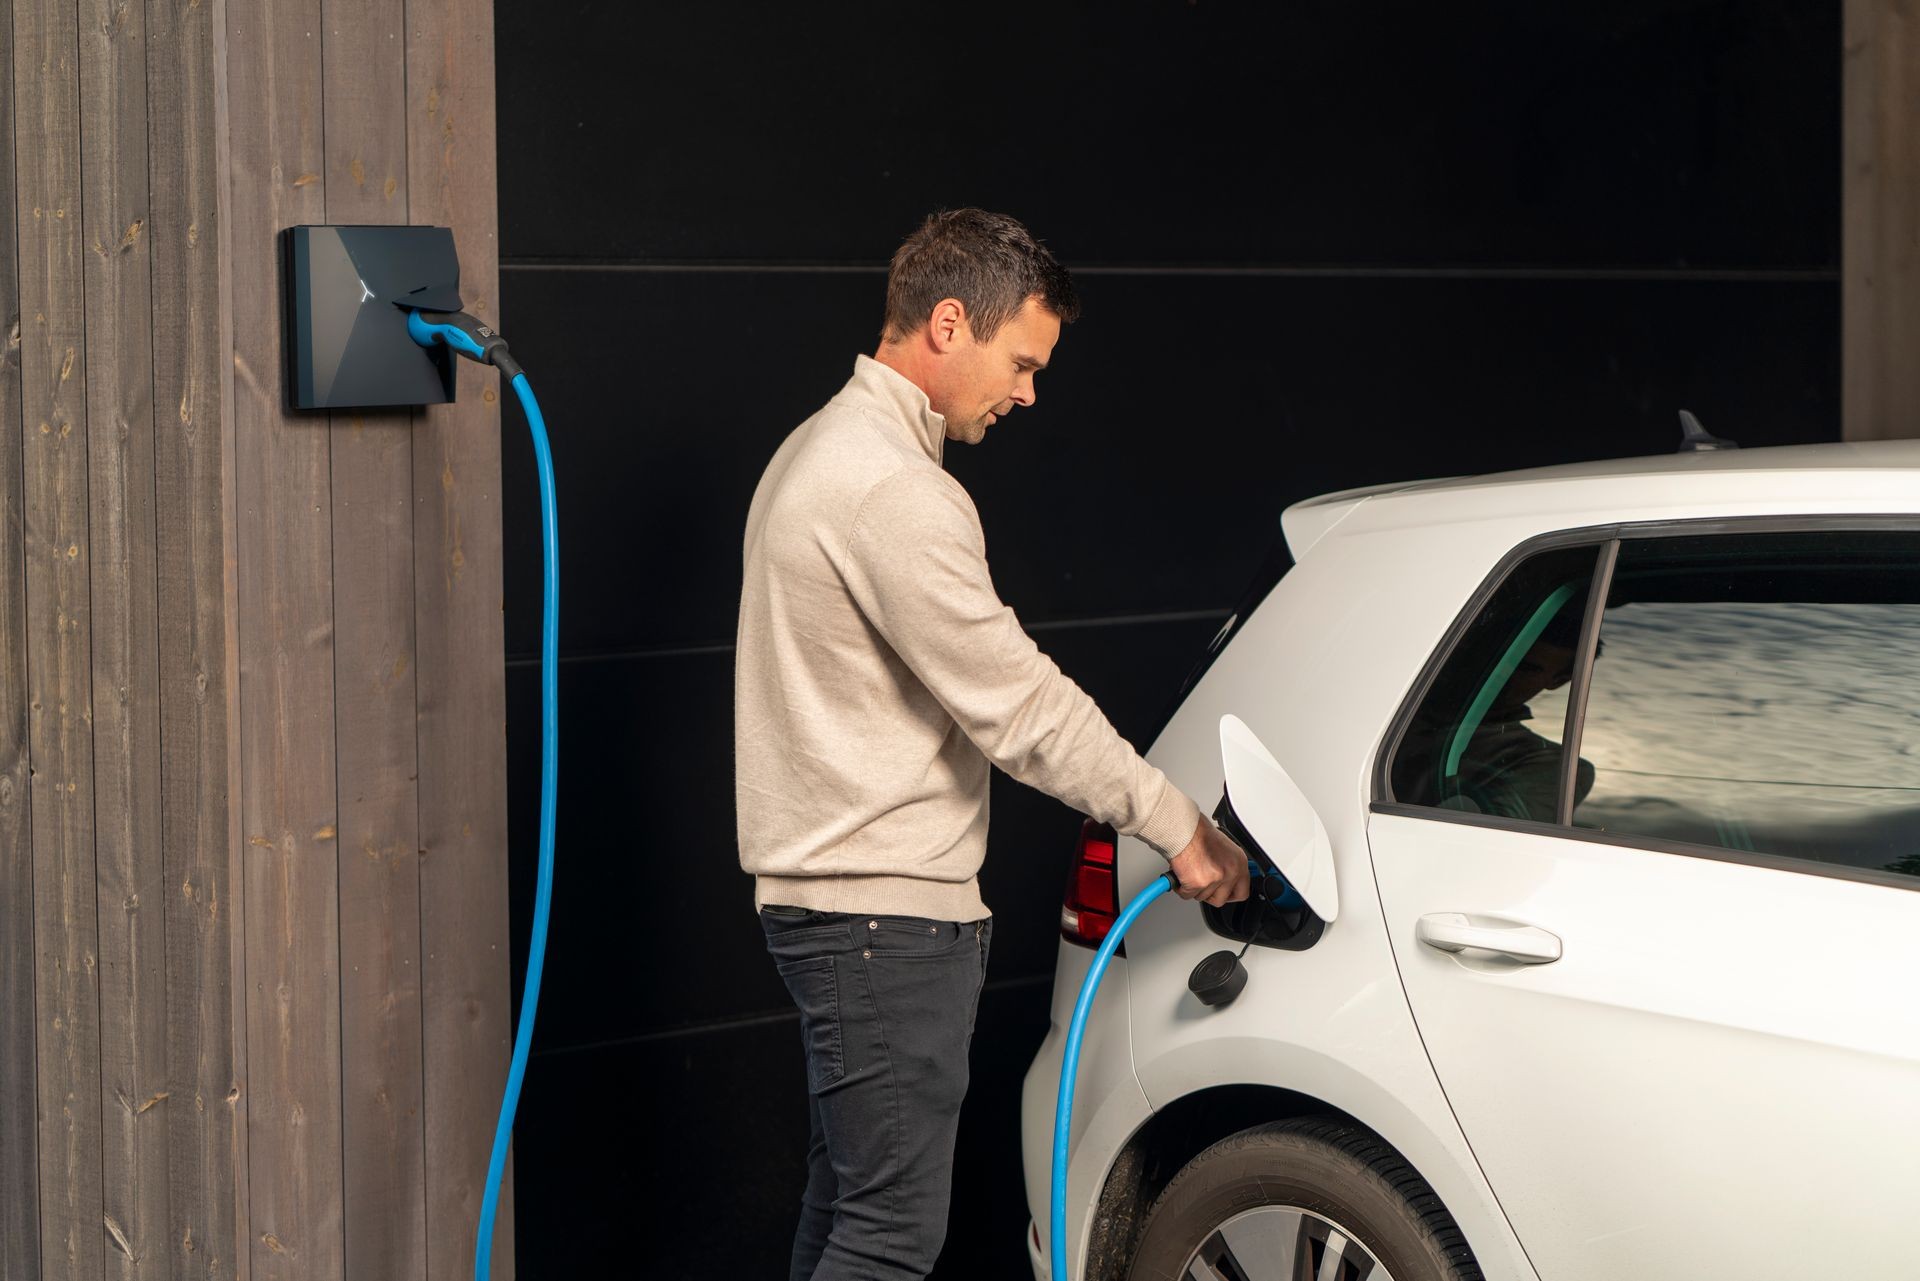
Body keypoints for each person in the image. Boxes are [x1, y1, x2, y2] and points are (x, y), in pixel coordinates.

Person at [734, 208, 1251, 1281]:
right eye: (1020, 361)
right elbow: (1021, 709)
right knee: (887, 1236)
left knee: (847, 1211)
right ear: (949, 322)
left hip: (838, 913)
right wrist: (1178, 828)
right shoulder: (893, 490)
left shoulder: (818, 448)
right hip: (881, 918)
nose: (1026, 392)